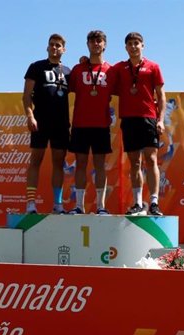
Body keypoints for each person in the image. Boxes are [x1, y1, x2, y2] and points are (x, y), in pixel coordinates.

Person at [108, 32, 166, 215]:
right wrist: (86, 61)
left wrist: (161, 120)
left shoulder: (153, 67)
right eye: (130, 44)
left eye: (136, 43)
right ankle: (138, 202)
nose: (133, 46)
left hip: (148, 118)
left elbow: (161, 95)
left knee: (151, 160)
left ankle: (154, 202)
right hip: (129, 119)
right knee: (134, 163)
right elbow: (102, 72)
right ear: (125, 47)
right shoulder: (119, 68)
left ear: (143, 46)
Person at [23, 33, 71, 214]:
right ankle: (30, 204)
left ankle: (58, 204)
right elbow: (26, 96)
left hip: (61, 123)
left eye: (58, 45)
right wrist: (30, 116)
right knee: (36, 160)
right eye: (52, 44)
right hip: (40, 121)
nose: (55, 48)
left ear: (64, 49)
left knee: (59, 163)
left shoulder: (68, 71)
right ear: (47, 47)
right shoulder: (36, 67)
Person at [67, 30, 113, 215]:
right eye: (92, 41)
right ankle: (79, 206)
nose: (96, 44)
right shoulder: (78, 69)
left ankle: (101, 206)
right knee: (80, 164)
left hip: (101, 124)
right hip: (80, 124)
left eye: (99, 41)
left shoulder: (112, 70)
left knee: (100, 165)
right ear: (87, 44)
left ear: (104, 44)